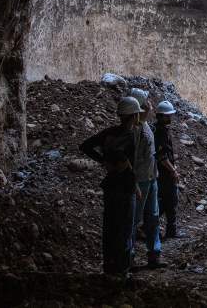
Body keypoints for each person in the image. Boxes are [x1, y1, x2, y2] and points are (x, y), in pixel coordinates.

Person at [81, 96, 142, 277]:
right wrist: (121, 164)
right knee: (124, 229)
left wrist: (103, 161)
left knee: (110, 228)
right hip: (125, 186)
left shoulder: (109, 133)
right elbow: (122, 157)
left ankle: (109, 268)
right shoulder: (131, 136)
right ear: (134, 116)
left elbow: (85, 146)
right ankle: (122, 270)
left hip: (110, 185)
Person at [128, 87, 165, 269]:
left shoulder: (145, 125)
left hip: (151, 178)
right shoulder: (135, 130)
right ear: (142, 106)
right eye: (147, 101)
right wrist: (133, 182)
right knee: (133, 220)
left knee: (153, 217)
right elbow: (131, 160)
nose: (151, 104)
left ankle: (154, 254)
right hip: (140, 181)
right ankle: (128, 257)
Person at [153, 100, 184, 239]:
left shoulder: (162, 130)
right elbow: (162, 156)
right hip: (164, 174)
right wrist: (173, 171)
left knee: (167, 202)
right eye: (167, 116)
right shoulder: (159, 132)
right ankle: (170, 230)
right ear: (161, 116)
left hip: (164, 172)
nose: (170, 118)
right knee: (170, 201)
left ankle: (166, 229)